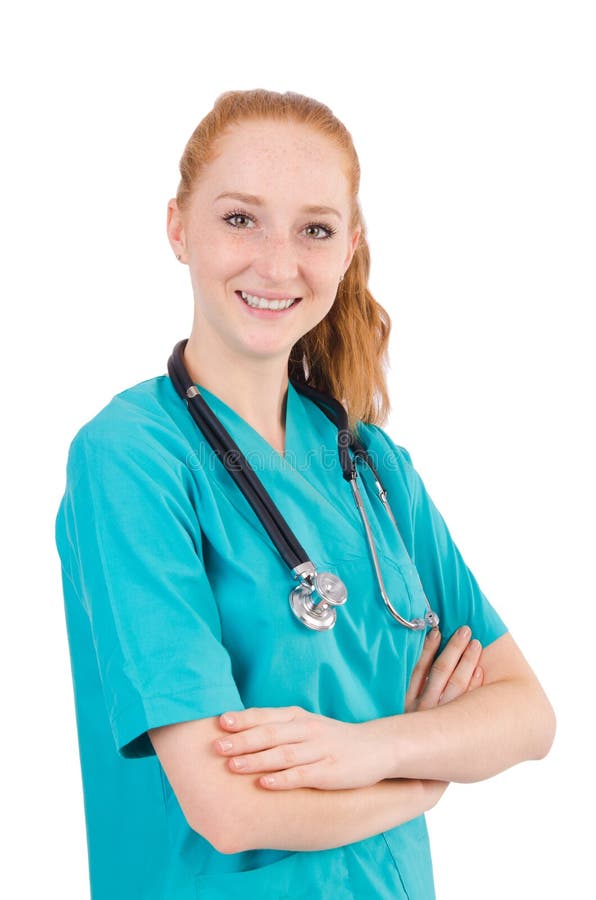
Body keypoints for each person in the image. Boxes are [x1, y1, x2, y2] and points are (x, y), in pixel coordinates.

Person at [54, 89, 555, 900]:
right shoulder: (132, 459)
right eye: (240, 219)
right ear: (178, 227)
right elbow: (228, 809)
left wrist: (376, 751)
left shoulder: (373, 467)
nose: (277, 263)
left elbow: (528, 716)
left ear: (349, 248)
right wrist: (426, 776)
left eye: (315, 230)